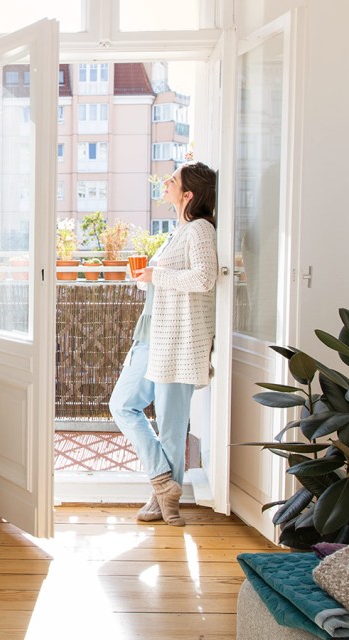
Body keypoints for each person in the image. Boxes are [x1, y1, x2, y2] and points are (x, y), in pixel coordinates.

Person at [108, 161, 218, 527]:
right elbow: (167, 282)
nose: (165, 183)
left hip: (179, 339)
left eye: (173, 180)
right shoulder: (179, 231)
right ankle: (163, 482)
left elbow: (204, 279)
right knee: (123, 405)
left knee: (172, 424)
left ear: (188, 195)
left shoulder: (200, 230)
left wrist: (158, 274)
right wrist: (146, 278)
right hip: (152, 334)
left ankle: (162, 502)